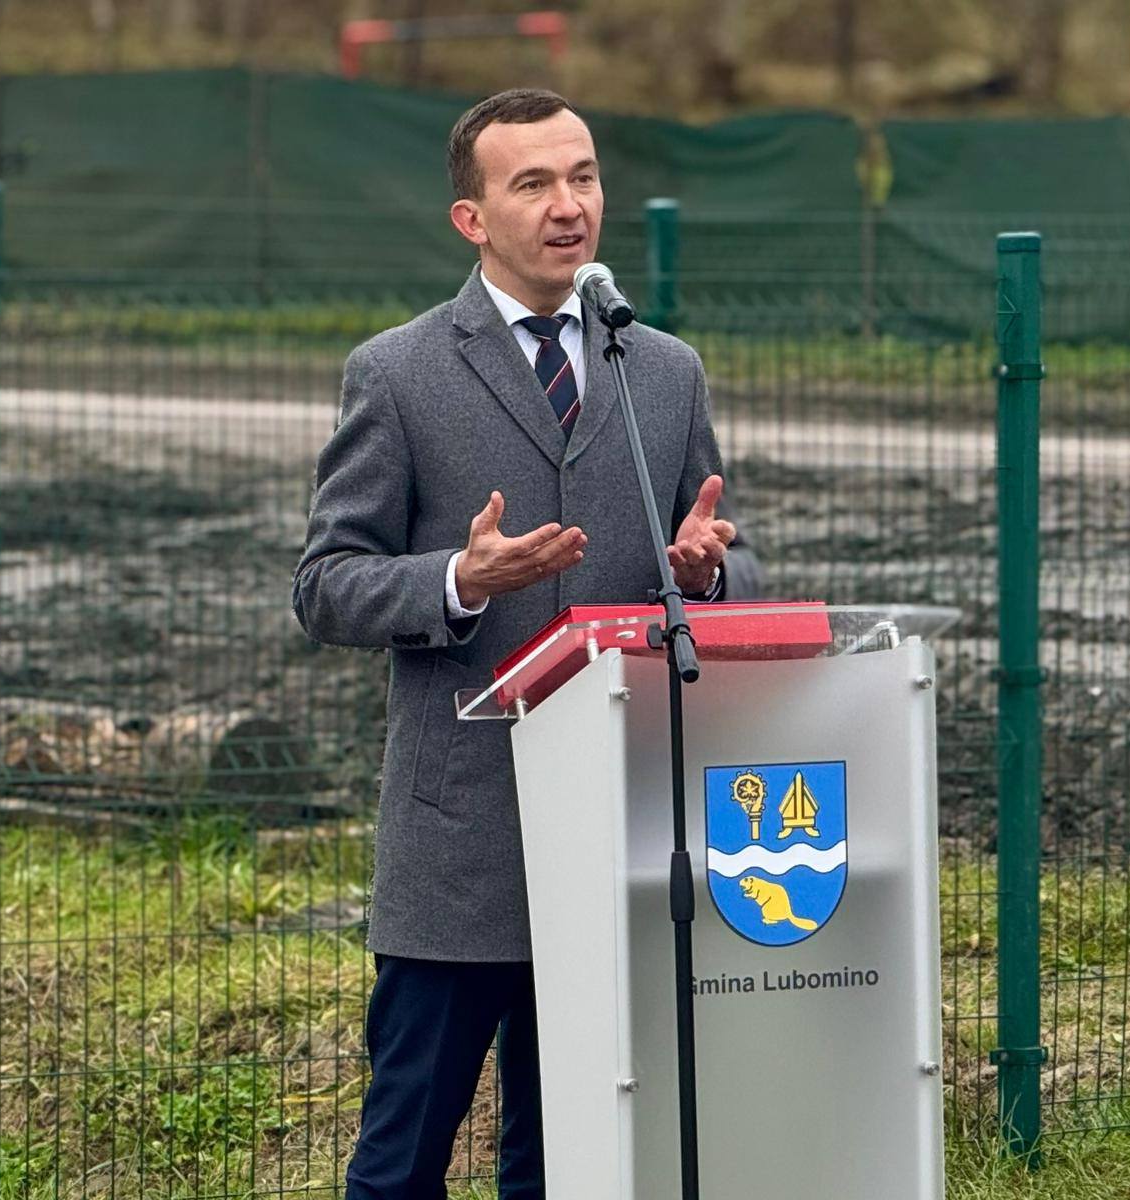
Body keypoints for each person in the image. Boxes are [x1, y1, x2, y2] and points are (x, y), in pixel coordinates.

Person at [292, 87, 763, 1200]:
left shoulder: (663, 370)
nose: (569, 206)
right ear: (471, 218)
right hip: (462, 847)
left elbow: (729, 560)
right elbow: (324, 586)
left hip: (618, 836)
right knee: (401, 1161)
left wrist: (708, 573)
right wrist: (458, 580)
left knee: (567, 1165)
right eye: (534, 183)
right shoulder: (398, 372)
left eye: (583, 176)